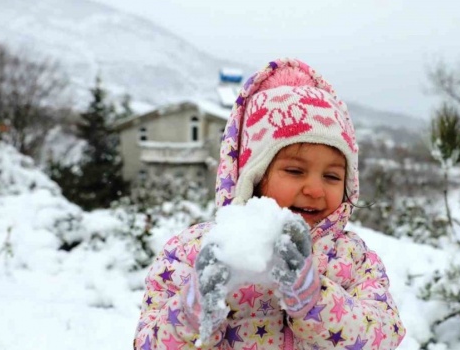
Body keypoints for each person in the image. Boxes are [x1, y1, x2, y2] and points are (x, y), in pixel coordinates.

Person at [134, 58, 406, 349]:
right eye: (294, 171)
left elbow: (383, 337)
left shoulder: (352, 258)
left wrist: (314, 299)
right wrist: (196, 307)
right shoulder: (192, 251)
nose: (315, 189)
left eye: (331, 176)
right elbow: (148, 344)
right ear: (253, 175)